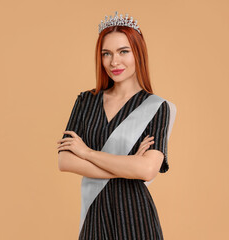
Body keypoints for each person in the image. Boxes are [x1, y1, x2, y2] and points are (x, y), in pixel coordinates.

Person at [56, 11, 177, 239]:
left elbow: (147, 169)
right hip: (95, 213)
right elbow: (65, 160)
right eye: (106, 54)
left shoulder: (157, 107)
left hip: (135, 215)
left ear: (138, 53)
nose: (114, 62)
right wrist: (128, 167)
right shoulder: (86, 101)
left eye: (123, 51)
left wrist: (87, 152)